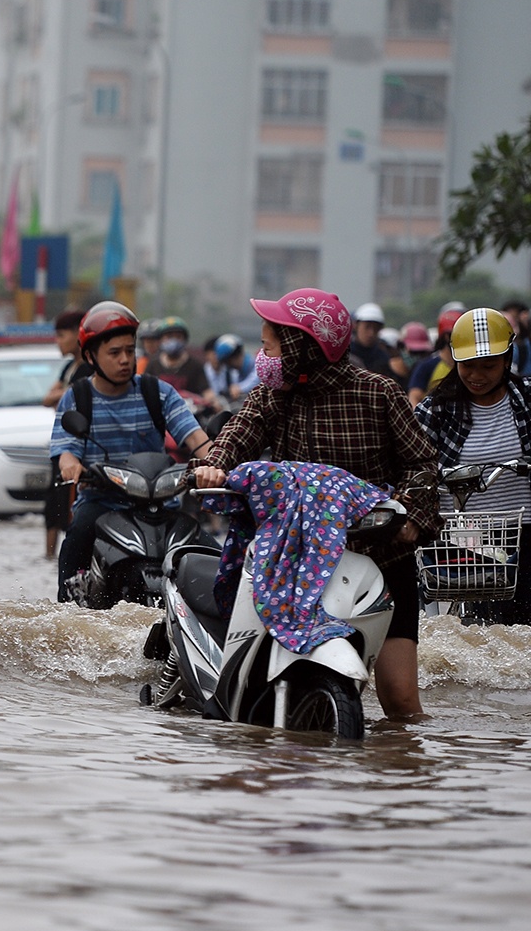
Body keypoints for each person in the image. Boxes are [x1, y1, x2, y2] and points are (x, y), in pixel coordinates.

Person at [194, 288, 442, 721]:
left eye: (270, 345)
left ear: (302, 347)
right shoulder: (273, 395)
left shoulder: (379, 393)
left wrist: (412, 518)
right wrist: (214, 466)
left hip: (381, 555)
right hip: (297, 553)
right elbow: (238, 433)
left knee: (401, 701)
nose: (263, 355)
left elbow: (422, 462)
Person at [48, 302, 212, 603]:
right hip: (102, 502)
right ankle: (67, 614)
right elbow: (66, 450)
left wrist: (215, 463)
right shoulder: (78, 396)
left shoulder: (157, 392)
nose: (125, 360)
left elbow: (195, 439)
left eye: (129, 350)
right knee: (76, 538)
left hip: (161, 503)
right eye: (114, 353)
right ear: (90, 357)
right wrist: (70, 465)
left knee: (215, 557)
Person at [414, 308, 531, 625]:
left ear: (507, 360)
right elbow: (411, 461)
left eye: (488, 366)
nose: (477, 376)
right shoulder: (436, 409)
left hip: (524, 533)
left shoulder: (527, 400)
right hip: (465, 537)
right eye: (467, 366)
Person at [41, 308, 90, 561]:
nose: (57, 341)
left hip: (81, 446)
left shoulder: (88, 370)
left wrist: (60, 394)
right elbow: (48, 397)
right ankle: (49, 557)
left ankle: (70, 557)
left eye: (61, 335)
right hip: (61, 444)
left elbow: (55, 396)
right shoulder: (70, 368)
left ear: (77, 334)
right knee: (53, 502)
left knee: (72, 505)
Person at [148, 316, 219, 408]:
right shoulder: (153, 365)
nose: (173, 340)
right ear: (161, 340)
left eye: (178, 337)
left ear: (185, 340)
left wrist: (214, 402)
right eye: (169, 337)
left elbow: (206, 391)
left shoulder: (195, 365)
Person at [408, 311, 461, 406]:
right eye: (452, 334)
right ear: (445, 336)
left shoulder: (467, 365)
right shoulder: (427, 366)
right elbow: (414, 397)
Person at [347, 302, 406, 382]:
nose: (371, 333)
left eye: (376, 328)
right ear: (356, 325)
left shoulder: (383, 357)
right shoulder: (346, 352)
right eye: (367, 327)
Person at [206, 333, 256, 405]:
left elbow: (256, 379)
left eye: (227, 361)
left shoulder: (256, 364)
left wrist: (240, 388)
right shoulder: (236, 373)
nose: (228, 365)